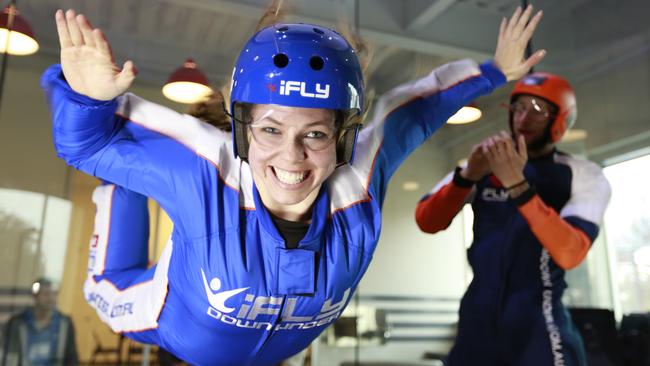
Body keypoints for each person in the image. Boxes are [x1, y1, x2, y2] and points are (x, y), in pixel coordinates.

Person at [43, 4, 544, 364]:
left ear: (343, 138)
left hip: (270, 347)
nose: (292, 157)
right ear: (242, 130)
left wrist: (493, 71)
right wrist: (85, 99)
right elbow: (87, 145)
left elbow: (415, 109)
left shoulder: (358, 183)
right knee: (105, 269)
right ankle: (126, 187)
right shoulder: (207, 168)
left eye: (316, 134)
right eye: (270, 130)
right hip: (164, 319)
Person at [414, 72, 612, 366]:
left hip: (538, 321)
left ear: (560, 120)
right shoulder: (481, 164)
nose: (523, 119)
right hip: (477, 320)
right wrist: (466, 178)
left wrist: (518, 187)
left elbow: (571, 252)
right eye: (519, 108)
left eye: (537, 110)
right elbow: (426, 221)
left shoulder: (582, 174)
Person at [1, 279, 78, 366]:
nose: (51, 298)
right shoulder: (17, 323)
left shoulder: (64, 323)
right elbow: (8, 356)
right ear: (35, 296)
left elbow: (72, 356)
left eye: (54, 294)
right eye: (46, 294)